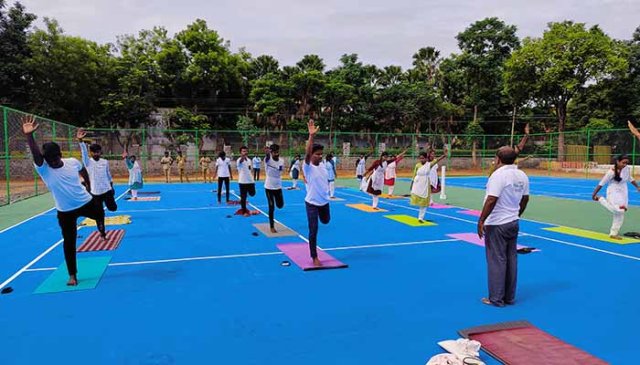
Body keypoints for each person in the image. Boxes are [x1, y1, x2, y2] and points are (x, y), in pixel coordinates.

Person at [22, 116, 106, 286]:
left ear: (60, 155)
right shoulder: (44, 169)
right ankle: (72, 275)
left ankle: (101, 226)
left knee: (100, 212)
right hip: (65, 212)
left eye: (55, 159)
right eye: (49, 160)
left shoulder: (72, 162)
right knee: (69, 242)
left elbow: (83, 170)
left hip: (85, 201)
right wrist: (29, 136)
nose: (52, 162)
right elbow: (37, 156)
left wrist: (88, 184)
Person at [477, 146, 530, 307]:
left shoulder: (498, 175)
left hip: (497, 223)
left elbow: (492, 199)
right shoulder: (522, 175)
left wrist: (481, 220)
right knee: (511, 259)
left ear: (498, 159)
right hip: (513, 222)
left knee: (497, 260)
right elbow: (525, 199)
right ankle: (509, 297)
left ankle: (496, 298)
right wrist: (516, 214)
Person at [303, 119, 331, 267]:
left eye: (321, 154)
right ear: (312, 155)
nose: (320, 156)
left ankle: (324, 215)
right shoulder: (308, 167)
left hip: (324, 202)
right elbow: (307, 154)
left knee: (326, 221)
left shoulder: (324, 166)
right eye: (317, 154)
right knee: (313, 230)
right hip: (312, 203)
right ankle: (314, 256)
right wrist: (311, 136)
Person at [592, 154, 639, 239]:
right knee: (617, 210)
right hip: (613, 191)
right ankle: (601, 199)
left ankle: (613, 233)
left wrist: (637, 186)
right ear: (618, 162)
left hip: (623, 191)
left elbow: (630, 178)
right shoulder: (611, 172)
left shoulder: (626, 169)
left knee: (621, 212)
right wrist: (594, 194)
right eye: (623, 163)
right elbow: (602, 183)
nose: (625, 165)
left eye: (626, 163)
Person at [76, 128, 117, 212]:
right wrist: (80, 140)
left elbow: (108, 174)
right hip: (95, 191)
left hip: (107, 189)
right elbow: (84, 152)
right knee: (98, 212)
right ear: (91, 153)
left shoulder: (105, 162)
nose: (96, 154)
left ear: (100, 152)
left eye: (97, 152)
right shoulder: (88, 162)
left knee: (113, 208)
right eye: (94, 152)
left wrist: (112, 186)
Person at [410, 149, 447, 222]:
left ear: (426, 158)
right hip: (417, 184)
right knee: (417, 198)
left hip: (425, 184)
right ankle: (420, 215)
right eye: (420, 158)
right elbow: (414, 175)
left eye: (423, 158)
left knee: (424, 202)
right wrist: (411, 184)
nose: (421, 159)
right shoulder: (417, 165)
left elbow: (437, 160)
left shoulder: (429, 164)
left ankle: (420, 217)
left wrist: (444, 155)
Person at [264, 144, 285, 232]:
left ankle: (279, 203)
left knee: (280, 205)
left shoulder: (281, 161)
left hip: (278, 186)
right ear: (271, 153)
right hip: (269, 186)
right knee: (271, 206)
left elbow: (280, 171)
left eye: (277, 152)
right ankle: (272, 226)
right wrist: (267, 153)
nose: (276, 154)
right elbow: (268, 157)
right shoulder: (268, 160)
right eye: (274, 153)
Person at [237, 146, 256, 216]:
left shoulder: (249, 160)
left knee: (253, 193)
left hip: (250, 181)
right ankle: (244, 212)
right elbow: (241, 160)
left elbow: (250, 170)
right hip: (242, 181)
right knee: (243, 198)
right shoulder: (239, 160)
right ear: (240, 153)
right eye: (243, 151)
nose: (245, 152)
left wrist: (252, 179)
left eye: (246, 151)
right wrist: (243, 157)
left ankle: (245, 194)